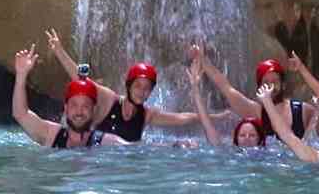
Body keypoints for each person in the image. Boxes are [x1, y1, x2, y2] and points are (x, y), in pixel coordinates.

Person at [43, 29, 209, 142]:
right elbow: (80, 77)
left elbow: (183, 118)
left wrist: (217, 117)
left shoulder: (146, 115)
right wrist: (59, 51)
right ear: (128, 86)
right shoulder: (108, 99)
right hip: (95, 164)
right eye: (138, 86)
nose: (142, 92)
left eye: (146, 88)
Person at [10, 47, 130, 148]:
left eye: (85, 106)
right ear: (66, 108)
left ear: (93, 109)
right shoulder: (51, 135)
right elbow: (20, 114)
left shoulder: (108, 143)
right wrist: (21, 76)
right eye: (74, 105)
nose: (79, 111)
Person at [189, 45, 314, 140]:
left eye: (275, 81)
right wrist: (202, 59)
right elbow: (225, 87)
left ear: (283, 84)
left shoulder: (303, 111)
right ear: (259, 88)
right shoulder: (254, 112)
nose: (271, 86)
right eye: (266, 82)